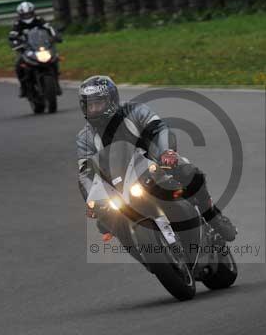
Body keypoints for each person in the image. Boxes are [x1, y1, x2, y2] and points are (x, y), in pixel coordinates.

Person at [76, 75, 237, 242]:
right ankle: (147, 255)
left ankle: (213, 217)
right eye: (90, 105)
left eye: (98, 103)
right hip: (120, 185)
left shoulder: (135, 111)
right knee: (106, 222)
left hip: (155, 166)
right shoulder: (84, 138)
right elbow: (85, 172)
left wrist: (166, 152)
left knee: (189, 173)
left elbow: (159, 129)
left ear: (112, 101)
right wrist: (92, 200)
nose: (94, 109)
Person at [8, 2, 62, 98]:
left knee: (55, 59)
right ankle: (23, 87)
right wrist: (15, 43)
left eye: (29, 14)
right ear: (20, 15)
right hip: (27, 49)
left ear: (33, 12)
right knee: (18, 65)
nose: (27, 16)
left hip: (41, 47)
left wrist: (55, 36)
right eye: (25, 14)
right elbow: (13, 36)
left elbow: (49, 28)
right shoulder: (18, 24)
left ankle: (56, 83)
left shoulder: (39, 20)